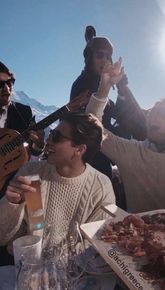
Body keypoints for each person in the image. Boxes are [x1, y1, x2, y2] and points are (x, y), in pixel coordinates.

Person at [86, 58, 165, 214]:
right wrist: (105, 86)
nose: (154, 116)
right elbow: (91, 125)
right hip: (135, 234)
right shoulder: (129, 151)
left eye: (163, 114)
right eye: (152, 113)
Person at [0, 112, 115, 262]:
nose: (48, 140)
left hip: (71, 276)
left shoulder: (101, 188)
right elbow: (3, 238)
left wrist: (56, 271)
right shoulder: (30, 172)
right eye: (51, 133)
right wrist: (11, 204)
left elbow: (95, 246)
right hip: (24, 267)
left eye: (56, 136)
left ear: (79, 149)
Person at [70, 26, 146, 180]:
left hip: (101, 161)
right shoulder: (83, 86)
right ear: (89, 59)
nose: (105, 60)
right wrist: (123, 140)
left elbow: (127, 119)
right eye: (99, 55)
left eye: (108, 56)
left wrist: (122, 90)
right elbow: (94, 123)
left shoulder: (99, 84)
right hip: (89, 164)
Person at [0, 61, 45, 265]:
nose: (7, 88)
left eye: (9, 83)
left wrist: (36, 148)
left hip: (23, 185)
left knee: (32, 235)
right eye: (0, 84)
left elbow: (30, 156)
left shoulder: (24, 113)